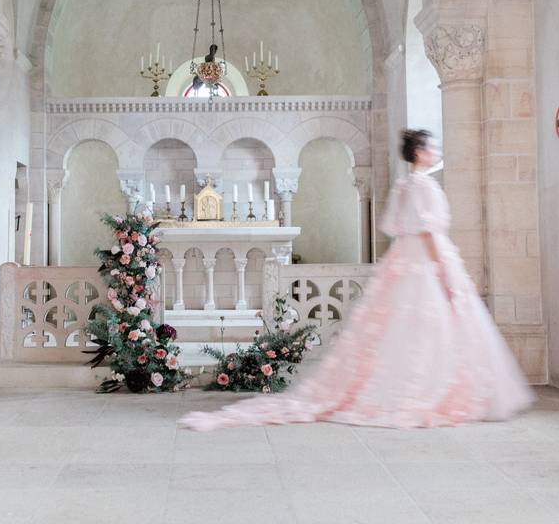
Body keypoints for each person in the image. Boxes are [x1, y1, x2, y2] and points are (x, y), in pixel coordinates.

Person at [179, 129, 534, 430]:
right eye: (431, 146)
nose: (435, 151)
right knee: (430, 328)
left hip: (404, 260)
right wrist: (443, 269)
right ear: (420, 152)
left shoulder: (403, 186)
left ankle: (402, 388)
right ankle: (429, 392)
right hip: (424, 260)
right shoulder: (423, 186)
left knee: (401, 331)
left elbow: (394, 226)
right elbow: (427, 231)